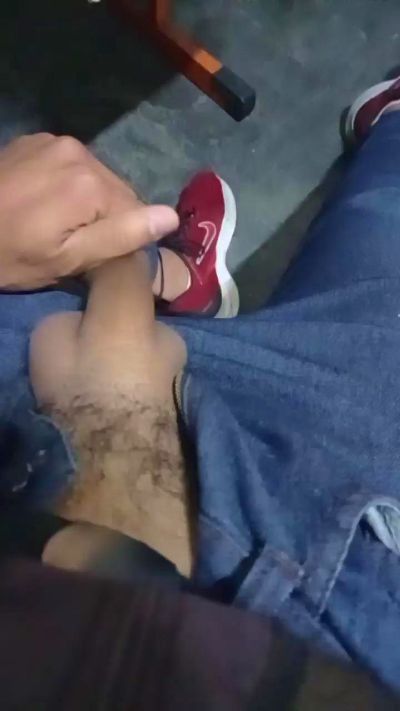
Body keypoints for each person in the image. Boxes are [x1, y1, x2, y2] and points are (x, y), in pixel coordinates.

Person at [3, 76, 400, 701]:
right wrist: (117, 428)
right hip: (335, 584)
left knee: (47, 247)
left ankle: (178, 279)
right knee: (387, 219)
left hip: (76, 446)